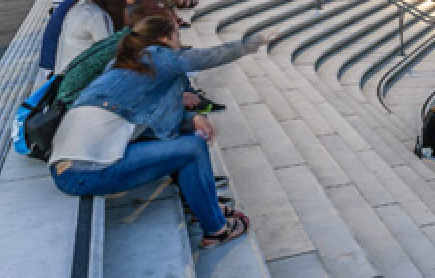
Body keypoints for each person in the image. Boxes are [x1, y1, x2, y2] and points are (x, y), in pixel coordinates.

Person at [48, 15, 269, 249]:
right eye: (177, 34)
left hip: (72, 166)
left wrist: (191, 119)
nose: (180, 40)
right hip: (83, 171)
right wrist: (254, 42)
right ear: (164, 39)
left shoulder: (127, 65)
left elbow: (153, 126)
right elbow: (207, 57)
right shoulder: (155, 56)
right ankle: (216, 229)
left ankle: (203, 204)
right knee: (192, 148)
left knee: (184, 143)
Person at [54, 0, 127, 73]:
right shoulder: (96, 15)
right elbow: (110, 56)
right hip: (79, 84)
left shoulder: (80, 7)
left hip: (64, 78)